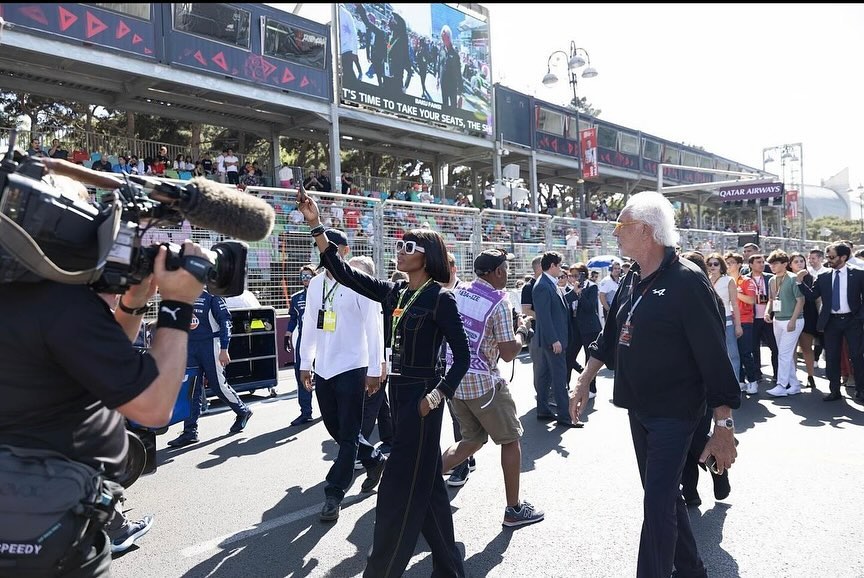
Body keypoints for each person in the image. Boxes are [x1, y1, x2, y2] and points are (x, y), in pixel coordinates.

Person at [0, 163, 207, 575]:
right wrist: (178, 305)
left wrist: (131, 306)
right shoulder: (59, 304)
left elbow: (93, 362)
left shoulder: (31, 298)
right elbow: (153, 406)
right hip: (50, 530)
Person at [296, 188, 470, 578]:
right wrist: (315, 224)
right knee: (429, 493)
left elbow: (463, 357)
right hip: (400, 393)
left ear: (428, 257)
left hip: (423, 400)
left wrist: (437, 395)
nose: (401, 249)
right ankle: (451, 571)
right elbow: (343, 272)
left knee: (396, 493)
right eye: (400, 244)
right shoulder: (396, 291)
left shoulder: (441, 299)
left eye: (409, 245)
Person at [569, 191, 740, 578]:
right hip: (639, 409)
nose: (614, 234)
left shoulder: (689, 282)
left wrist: (724, 428)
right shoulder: (632, 278)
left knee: (657, 504)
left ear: (646, 231)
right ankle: (692, 569)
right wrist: (583, 381)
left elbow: (714, 360)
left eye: (621, 226)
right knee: (661, 497)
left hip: (675, 413)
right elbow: (609, 338)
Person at [440, 248, 543, 527]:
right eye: (506, 269)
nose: (508, 273)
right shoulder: (498, 303)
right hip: (484, 384)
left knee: (471, 441)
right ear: (497, 272)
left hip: (454, 381)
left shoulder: (456, 293)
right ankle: (514, 509)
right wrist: (523, 330)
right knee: (510, 440)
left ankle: (423, 484)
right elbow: (509, 352)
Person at [299, 229, 387, 522]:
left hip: (353, 366)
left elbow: (375, 328)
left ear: (344, 251)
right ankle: (373, 459)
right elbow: (309, 325)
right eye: (319, 245)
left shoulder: (357, 282)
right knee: (335, 428)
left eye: (330, 247)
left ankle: (334, 493)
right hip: (324, 367)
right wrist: (304, 362)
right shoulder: (314, 285)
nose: (322, 251)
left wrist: (375, 369)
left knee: (347, 433)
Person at [166, 289, 254, 447]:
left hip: (211, 346)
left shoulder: (212, 297)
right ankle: (190, 432)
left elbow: (225, 321)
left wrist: (224, 349)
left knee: (218, 386)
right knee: (191, 389)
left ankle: (242, 411)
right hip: (189, 347)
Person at [796, 242, 864, 403]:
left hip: (852, 320)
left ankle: (861, 390)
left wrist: (860, 316)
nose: (829, 259)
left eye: (832, 257)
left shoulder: (859, 274)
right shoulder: (824, 276)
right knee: (832, 357)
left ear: (843, 257)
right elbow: (812, 296)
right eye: (827, 256)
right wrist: (800, 282)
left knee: (857, 356)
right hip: (831, 322)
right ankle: (834, 391)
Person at [532, 251, 579, 427]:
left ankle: (543, 410)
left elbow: (557, 306)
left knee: (544, 377)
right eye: (559, 265)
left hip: (550, 340)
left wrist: (573, 293)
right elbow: (544, 316)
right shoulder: (544, 285)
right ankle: (565, 417)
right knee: (559, 380)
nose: (561, 269)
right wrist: (554, 340)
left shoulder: (548, 283)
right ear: (552, 266)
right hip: (553, 341)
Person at [764, 250, 805, 397]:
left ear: (785, 264)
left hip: (793, 320)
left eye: (775, 263)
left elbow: (801, 301)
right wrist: (768, 312)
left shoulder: (793, 278)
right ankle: (794, 385)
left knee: (784, 353)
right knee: (784, 353)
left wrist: (793, 320)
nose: (772, 266)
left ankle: (781, 385)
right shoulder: (771, 280)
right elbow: (771, 300)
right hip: (778, 319)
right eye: (771, 264)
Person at [287, 264, 316, 426]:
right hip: (304, 341)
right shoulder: (296, 297)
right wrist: (288, 333)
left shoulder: (321, 294)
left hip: (323, 340)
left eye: (308, 276)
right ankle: (306, 412)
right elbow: (292, 318)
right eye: (303, 276)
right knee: (301, 376)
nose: (305, 279)